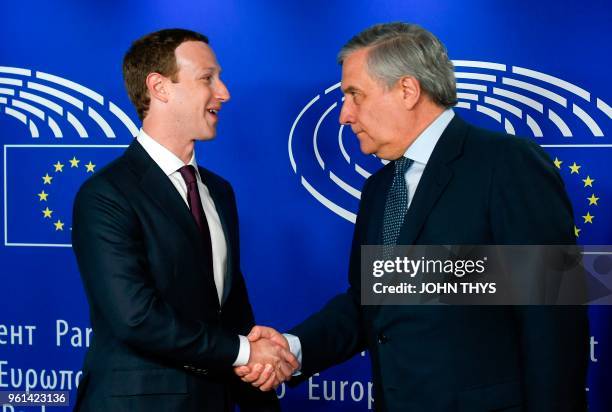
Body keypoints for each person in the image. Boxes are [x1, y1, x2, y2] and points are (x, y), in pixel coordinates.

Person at [236, 23, 589, 411]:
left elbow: (552, 319)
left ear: (407, 90)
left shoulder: (506, 164)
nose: (344, 115)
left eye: (354, 95)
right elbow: (371, 301)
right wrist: (292, 347)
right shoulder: (379, 188)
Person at [72, 28, 297, 411]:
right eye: (207, 78)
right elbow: (136, 318)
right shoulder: (106, 195)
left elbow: (230, 309)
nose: (223, 93)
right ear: (160, 87)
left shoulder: (219, 191)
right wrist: (246, 352)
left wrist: (260, 378)